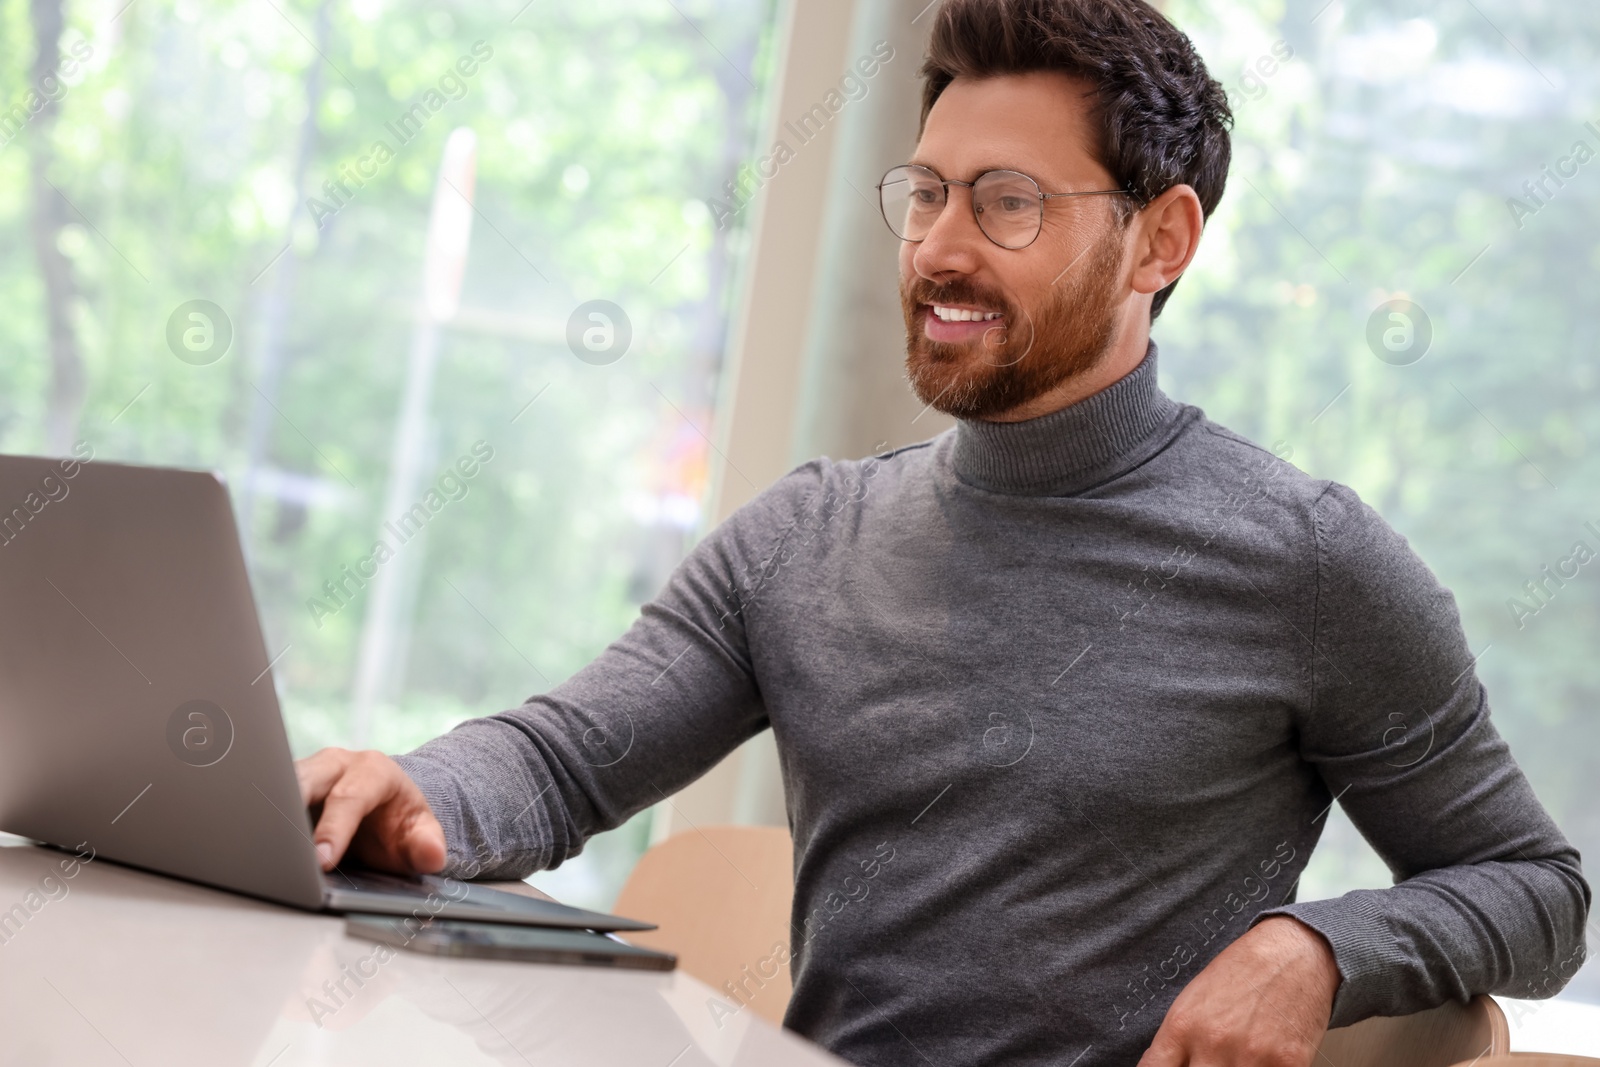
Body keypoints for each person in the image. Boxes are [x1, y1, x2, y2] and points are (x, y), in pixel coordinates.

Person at [295, 1, 1591, 1064]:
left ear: (1160, 240)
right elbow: (564, 762)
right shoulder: (807, 535)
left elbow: (1538, 891)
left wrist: (1314, 948)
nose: (940, 250)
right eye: (926, 194)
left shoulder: (1308, 564)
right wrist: (418, 792)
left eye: (1008, 203)